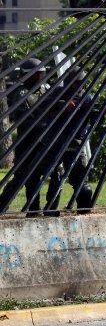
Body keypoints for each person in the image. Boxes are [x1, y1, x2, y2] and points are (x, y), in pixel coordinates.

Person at [0, 58, 50, 216]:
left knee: (51, 173)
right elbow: (25, 119)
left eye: (42, 73)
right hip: (27, 142)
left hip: (45, 141)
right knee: (23, 177)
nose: (42, 76)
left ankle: (43, 210)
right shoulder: (20, 94)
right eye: (39, 74)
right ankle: (2, 206)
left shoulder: (46, 89)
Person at [43, 66, 93, 216]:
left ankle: (83, 210)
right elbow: (47, 114)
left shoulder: (87, 97)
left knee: (81, 178)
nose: (80, 85)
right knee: (56, 175)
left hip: (76, 141)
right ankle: (50, 209)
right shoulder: (58, 94)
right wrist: (64, 108)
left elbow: (90, 117)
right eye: (77, 82)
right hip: (56, 140)